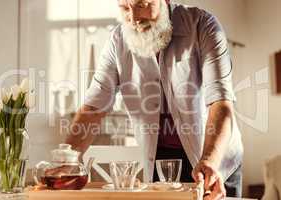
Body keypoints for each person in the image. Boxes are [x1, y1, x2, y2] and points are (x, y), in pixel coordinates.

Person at [66, 0, 244, 199]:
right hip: (162, 163)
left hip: (213, 158)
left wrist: (210, 162)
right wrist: (66, 160)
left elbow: (220, 102)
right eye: (125, 8)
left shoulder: (203, 25)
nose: (133, 18)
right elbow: (94, 107)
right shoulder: (117, 40)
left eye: (142, 4)